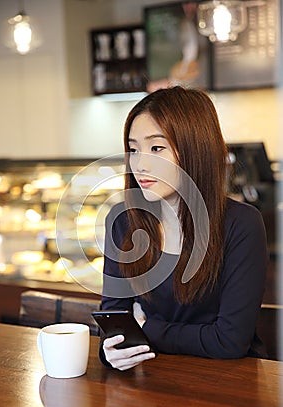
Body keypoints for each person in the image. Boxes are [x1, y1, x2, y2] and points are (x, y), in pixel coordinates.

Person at [99, 86, 268, 371]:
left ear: (194, 148)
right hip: (154, 378)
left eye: (156, 148)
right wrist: (111, 352)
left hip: (231, 384)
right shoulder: (123, 221)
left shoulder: (241, 224)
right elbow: (114, 321)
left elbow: (229, 342)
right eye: (133, 149)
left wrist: (147, 328)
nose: (140, 163)